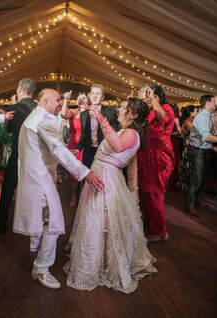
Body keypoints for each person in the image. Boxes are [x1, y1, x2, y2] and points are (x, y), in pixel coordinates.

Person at [13, 88, 104, 290]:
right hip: (40, 178)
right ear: (45, 101)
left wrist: (66, 152)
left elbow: (41, 148)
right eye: (57, 100)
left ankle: (37, 251)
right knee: (54, 222)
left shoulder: (34, 116)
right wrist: (86, 173)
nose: (60, 103)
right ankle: (41, 269)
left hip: (34, 176)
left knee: (45, 218)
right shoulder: (44, 119)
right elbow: (56, 148)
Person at [64, 98, 156, 293]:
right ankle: (98, 258)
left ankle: (103, 264)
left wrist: (101, 119)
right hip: (100, 174)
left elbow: (118, 146)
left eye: (124, 108)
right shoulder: (125, 130)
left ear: (134, 115)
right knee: (97, 219)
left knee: (101, 220)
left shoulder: (131, 133)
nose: (120, 110)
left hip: (106, 179)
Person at [0, 78, 37, 233]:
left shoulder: (15, 109)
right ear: (32, 92)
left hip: (18, 153)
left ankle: (1, 223)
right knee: (34, 190)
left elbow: (8, 129)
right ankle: (32, 224)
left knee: (8, 188)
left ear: (19, 90)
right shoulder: (39, 108)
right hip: (35, 156)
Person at [137, 85, 175, 242]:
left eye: (149, 95)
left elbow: (163, 118)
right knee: (145, 194)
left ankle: (161, 232)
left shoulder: (165, 108)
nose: (146, 98)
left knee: (155, 194)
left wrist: (152, 99)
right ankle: (150, 227)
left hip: (159, 158)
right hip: (146, 157)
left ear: (157, 96)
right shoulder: (149, 111)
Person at [184, 95, 217, 216]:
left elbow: (203, 138)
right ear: (208, 103)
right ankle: (189, 205)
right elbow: (206, 137)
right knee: (196, 179)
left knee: (202, 178)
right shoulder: (202, 117)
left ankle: (197, 200)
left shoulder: (207, 116)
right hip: (196, 151)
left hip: (202, 149)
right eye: (215, 101)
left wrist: (211, 147)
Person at [77, 84, 119, 170]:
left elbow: (114, 135)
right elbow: (83, 135)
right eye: (93, 93)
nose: (95, 96)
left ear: (102, 97)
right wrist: (77, 149)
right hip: (88, 152)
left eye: (98, 94)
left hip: (104, 153)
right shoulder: (83, 114)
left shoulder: (110, 113)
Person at [61, 92, 88, 207]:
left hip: (86, 145)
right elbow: (63, 114)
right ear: (76, 101)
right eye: (79, 98)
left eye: (84, 98)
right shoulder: (74, 112)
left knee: (85, 171)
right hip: (73, 144)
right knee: (74, 173)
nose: (81, 100)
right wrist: (66, 100)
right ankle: (74, 195)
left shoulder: (90, 113)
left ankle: (83, 195)